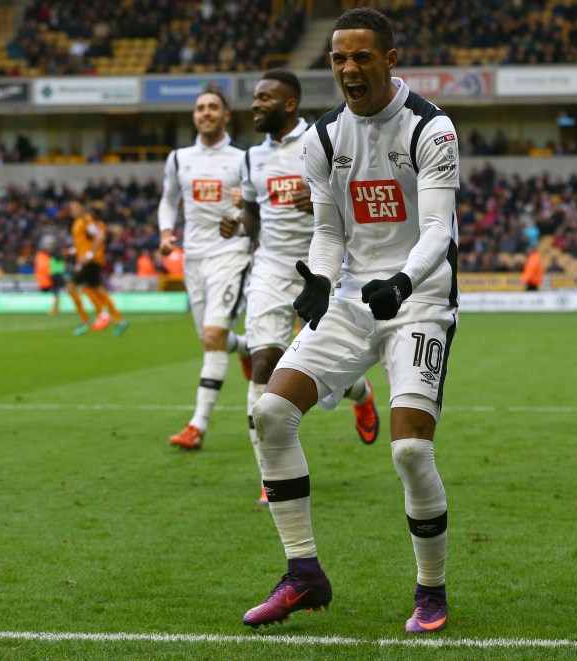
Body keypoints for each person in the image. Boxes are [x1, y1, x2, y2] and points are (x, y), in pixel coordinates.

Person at [242, 8, 459, 634]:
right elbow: (329, 231)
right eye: (339, 58)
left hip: (419, 299)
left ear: (390, 59)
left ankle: (431, 590)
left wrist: (402, 281)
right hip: (353, 299)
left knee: (413, 450)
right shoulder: (323, 137)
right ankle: (303, 573)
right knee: (269, 412)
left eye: (362, 56)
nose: (348, 68)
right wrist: (315, 278)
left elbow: (438, 230)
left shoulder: (431, 128)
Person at [219, 69, 378, 506]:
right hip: (271, 267)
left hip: (323, 266)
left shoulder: (321, 140)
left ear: (289, 104)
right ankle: (270, 474)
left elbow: (358, 197)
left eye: (264, 98)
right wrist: (238, 225)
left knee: (320, 365)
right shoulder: (251, 159)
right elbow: (253, 214)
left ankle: (360, 393)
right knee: (264, 360)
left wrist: (328, 199)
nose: (254, 105)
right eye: (254, 98)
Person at [158, 84, 252, 450]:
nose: (206, 113)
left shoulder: (243, 158)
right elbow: (168, 200)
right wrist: (166, 232)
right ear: (194, 115)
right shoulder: (179, 158)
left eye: (213, 107)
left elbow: (257, 210)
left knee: (213, 337)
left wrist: (245, 204)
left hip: (231, 254)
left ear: (225, 115)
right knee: (211, 340)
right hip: (193, 258)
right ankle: (246, 348)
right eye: (200, 108)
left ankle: (197, 425)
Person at [68, 198, 128, 336]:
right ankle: (118, 319)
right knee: (95, 289)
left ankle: (87, 320)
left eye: (75, 207)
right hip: (88, 260)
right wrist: (74, 251)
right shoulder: (78, 222)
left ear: (82, 207)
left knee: (72, 287)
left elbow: (100, 235)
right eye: (71, 208)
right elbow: (84, 242)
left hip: (90, 262)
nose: (72, 210)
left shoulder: (86, 220)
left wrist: (89, 254)